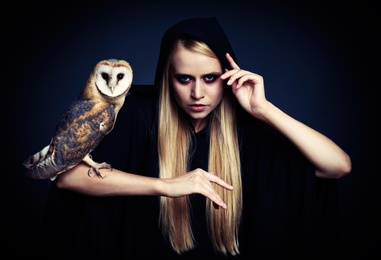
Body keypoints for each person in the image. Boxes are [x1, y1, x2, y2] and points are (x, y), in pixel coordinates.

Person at [32, 17, 351, 259]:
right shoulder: (135, 115)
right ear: (167, 78)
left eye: (210, 78)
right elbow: (67, 177)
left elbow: (337, 167)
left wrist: (264, 109)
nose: (197, 93)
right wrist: (166, 185)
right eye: (184, 78)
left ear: (227, 78)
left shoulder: (248, 132)